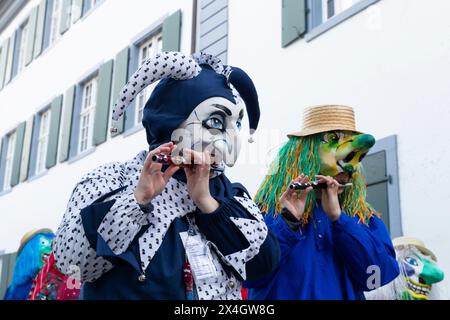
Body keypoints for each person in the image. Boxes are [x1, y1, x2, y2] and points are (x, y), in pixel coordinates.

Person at [53, 52, 279, 300]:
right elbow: (72, 263)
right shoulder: (112, 179)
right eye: (216, 121)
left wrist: (209, 204)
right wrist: (136, 200)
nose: (232, 137)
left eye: (236, 123)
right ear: (171, 120)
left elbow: (261, 267)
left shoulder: (230, 196)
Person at [245, 105, 399, 300]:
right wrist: (287, 222)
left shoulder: (363, 217)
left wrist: (339, 220)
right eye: (334, 140)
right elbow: (248, 275)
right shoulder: (263, 210)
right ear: (304, 153)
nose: (350, 161)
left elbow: (376, 279)